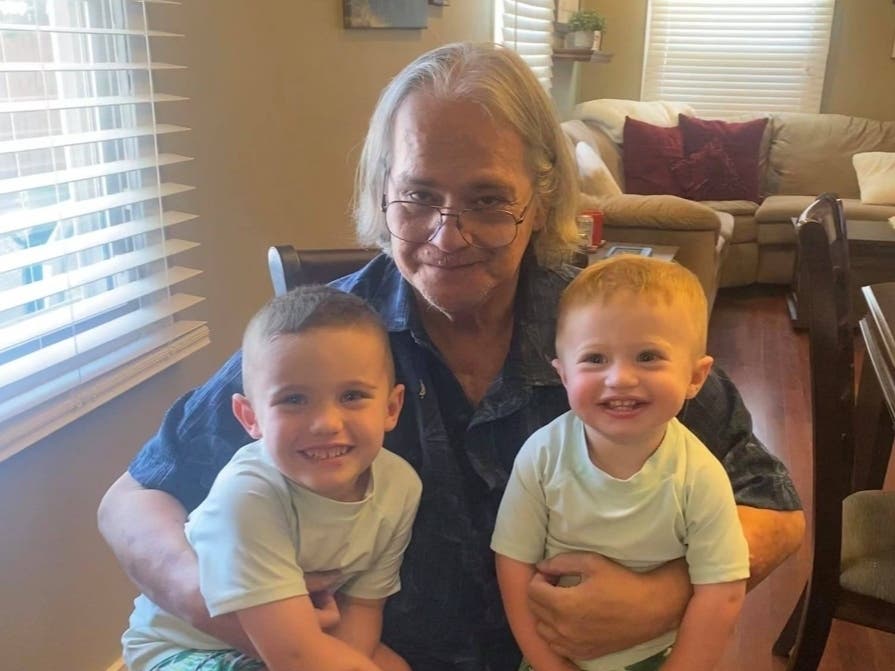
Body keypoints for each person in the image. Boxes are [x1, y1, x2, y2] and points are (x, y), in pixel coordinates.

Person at [98, 42, 805, 671]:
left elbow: (773, 506)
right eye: (417, 196)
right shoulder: (327, 337)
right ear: (384, 190)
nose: (447, 235)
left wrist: (667, 594)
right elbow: (132, 497)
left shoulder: (608, 325)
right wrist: (217, 597)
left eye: (488, 199)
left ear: (543, 194)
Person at [121, 286, 421, 671]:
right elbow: (294, 656)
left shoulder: (401, 487)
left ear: (391, 407)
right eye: (293, 400)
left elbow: (363, 607)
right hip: (187, 646)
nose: (326, 423)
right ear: (250, 418)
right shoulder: (246, 495)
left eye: (352, 396)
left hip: (296, 635)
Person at [492, 256, 749, 671]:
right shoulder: (541, 456)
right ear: (562, 375)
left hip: (659, 655)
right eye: (595, 359)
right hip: (553, 651)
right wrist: (548, 665)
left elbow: (722, 591)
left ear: (696, 378)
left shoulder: (699, 475)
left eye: (648, 356)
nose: (620, 379)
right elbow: (512, 565)